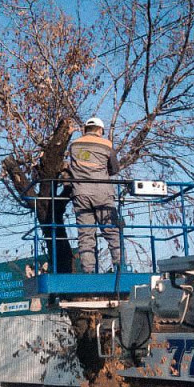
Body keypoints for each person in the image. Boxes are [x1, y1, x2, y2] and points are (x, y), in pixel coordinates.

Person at [68, 116, 121, 273]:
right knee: (112, 232)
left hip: (80, 194)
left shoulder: (74, 145)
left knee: (86, 234)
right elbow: (114, 169)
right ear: (100, 130)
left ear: (85, 129)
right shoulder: (107, 144)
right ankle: (120, 267)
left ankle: (88, 271)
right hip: (103, 193)